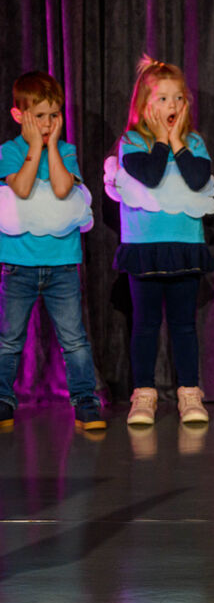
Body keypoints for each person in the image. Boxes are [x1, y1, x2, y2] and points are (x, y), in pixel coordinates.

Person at [107, 56, 214, 425]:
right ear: (144, 105)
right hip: (145, 250)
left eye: (178, 98)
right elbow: (151, 175)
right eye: (163, 99)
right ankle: (144, 394)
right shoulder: (131, 142)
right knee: (145, 324)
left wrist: (177, 141)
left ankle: (189, 393)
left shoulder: (195, 143)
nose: (172, 106)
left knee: (184, 325)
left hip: (185, 248)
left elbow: (198, 179)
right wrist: (162, 140)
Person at [0, 71, 102, 430]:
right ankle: (3, 399)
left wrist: (53, 146)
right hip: (18, 264)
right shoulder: (10, 151)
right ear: (20, 116)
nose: (47, 124)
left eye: (54, 115)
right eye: (39, 116)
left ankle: (85, 400)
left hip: (62, 265)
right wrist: (33, 147)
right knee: (9, 339)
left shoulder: (67, 151)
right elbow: (22, 188)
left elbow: (61, 189)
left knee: (73, 340)